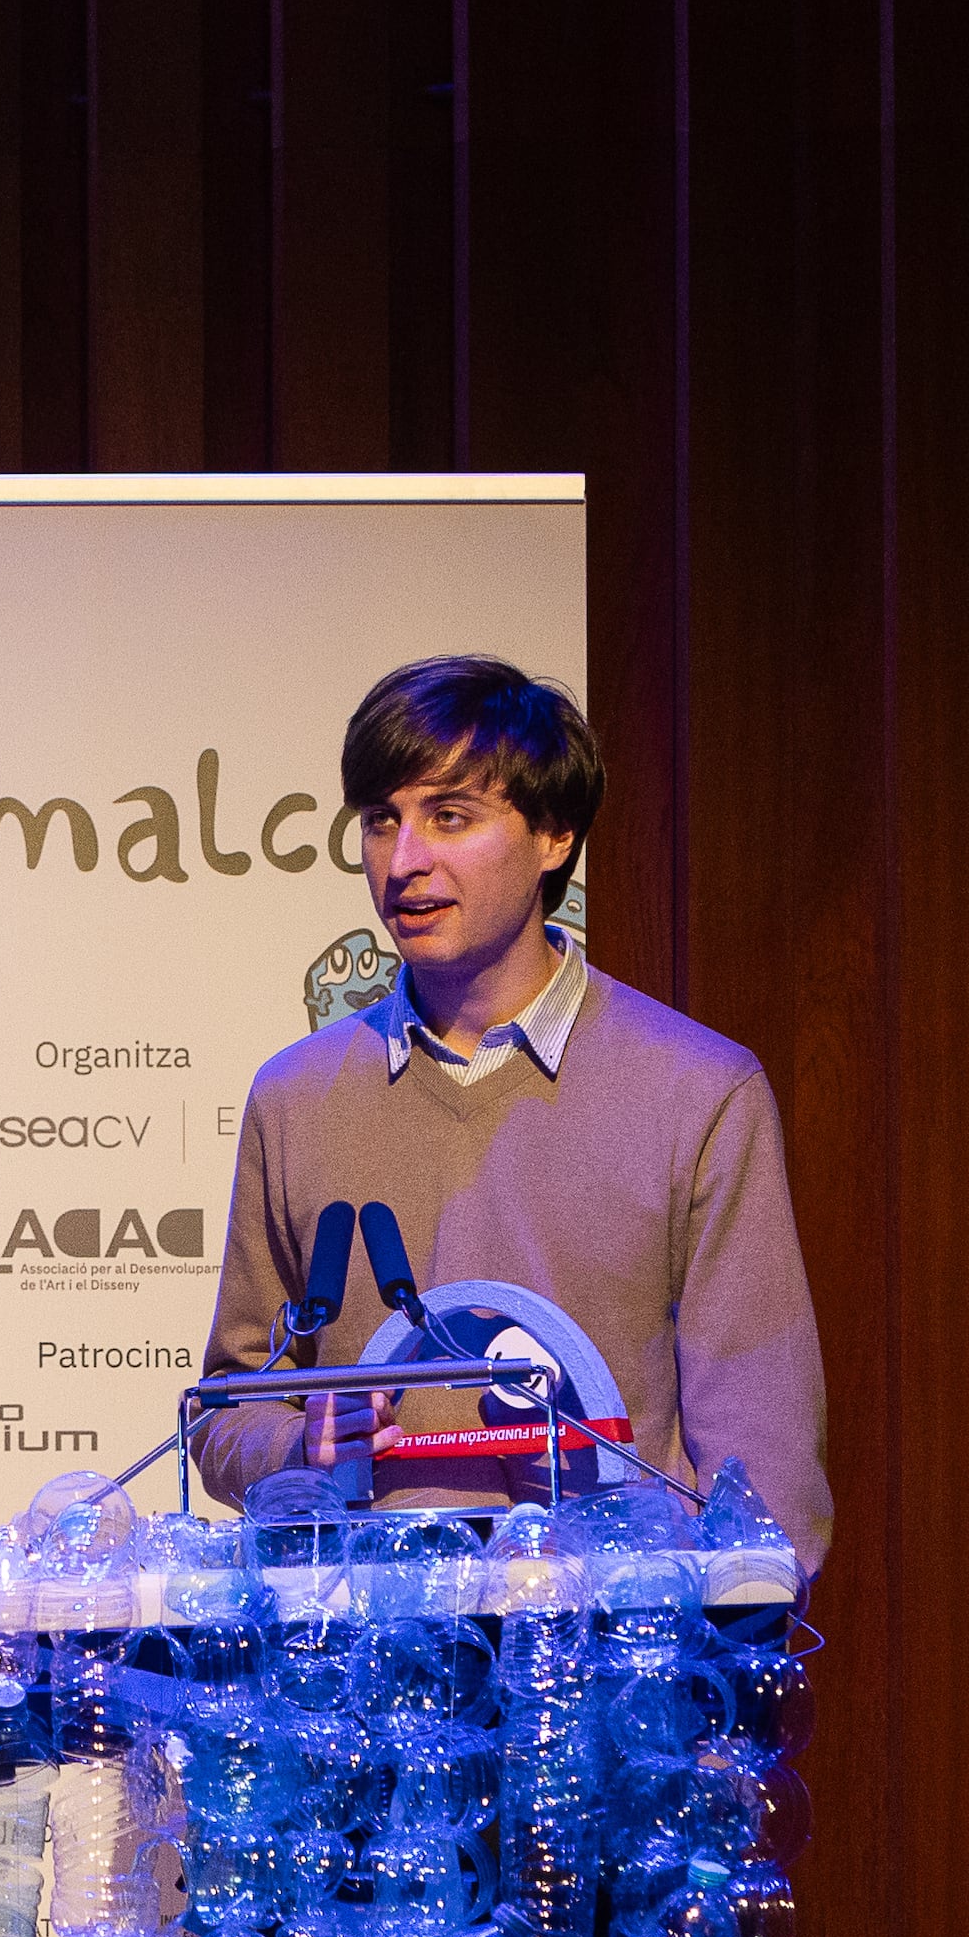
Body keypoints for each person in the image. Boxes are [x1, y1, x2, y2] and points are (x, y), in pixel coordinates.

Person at [191, 657, 830, 1562]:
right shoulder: (297, 1096)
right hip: (368, 1663)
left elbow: (766, 1472)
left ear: (554, 834)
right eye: (382, 821)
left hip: (609, 1659)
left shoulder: (698, 1091)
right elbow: (227, 1412)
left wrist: (712, 1638)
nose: (405, 859)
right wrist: (302, 1445)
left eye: (449, 815)